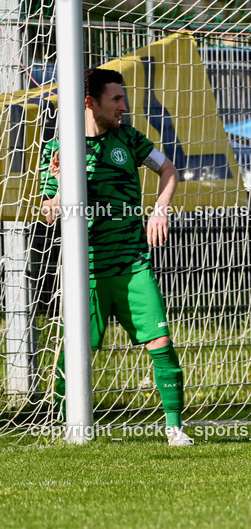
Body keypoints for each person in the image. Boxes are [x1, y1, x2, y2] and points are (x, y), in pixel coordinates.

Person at [41, 67, 190, 446]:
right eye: (117, 100)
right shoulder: (60, 149)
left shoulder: (131, 139)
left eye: (124, 98)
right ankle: (62, 425)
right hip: (86, 270)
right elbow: (49, 213)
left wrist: (160, 209)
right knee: (76, 351)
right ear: (91, 103)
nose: (124, 106)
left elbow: (169, 170)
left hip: (132, 262)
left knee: (161, 343)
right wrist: (58, 184)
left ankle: (175, 428)